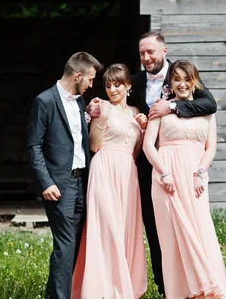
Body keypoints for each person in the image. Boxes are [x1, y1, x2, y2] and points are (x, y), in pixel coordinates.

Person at [86, 31, 217, 297]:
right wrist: (94, 109)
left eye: (151, 53)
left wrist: (173, 108)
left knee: (189, 223)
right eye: (142, 53)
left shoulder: (181, 77)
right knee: (153, 227)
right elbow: (119, 112)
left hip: (182, 165)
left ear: (164, 51)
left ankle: (193, 283)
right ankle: (165, 285)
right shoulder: (132, 81)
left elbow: (209, 103)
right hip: (142, 166)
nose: (146, 58)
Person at [142, 60, 226, 299]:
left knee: (200, 230)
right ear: (170, 82)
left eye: (186, 79)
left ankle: (208, 286)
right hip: (166, 177)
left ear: (194, 81)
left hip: (195, 178)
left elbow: (210, 147)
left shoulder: (207, 111)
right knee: (172, 236)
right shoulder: (160, 107)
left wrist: (201, 173)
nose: (181, 84)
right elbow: (148, 145)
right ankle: (180, 292)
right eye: (176, 79)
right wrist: (163, 172)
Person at [26, 52, 104, 299]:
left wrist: (89, 114)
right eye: (90, 80)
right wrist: (46, 182)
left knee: (74, 245)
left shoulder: (80, 102)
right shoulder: (45, 101)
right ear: (77, 75)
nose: (92, 86)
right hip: (59, 185)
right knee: (65, 246)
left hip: (82, 182)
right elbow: (34, 145)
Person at [71, 63, 148, 298]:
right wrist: (103, 117)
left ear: (128, 86)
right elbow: (94, 145)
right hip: (104, 168)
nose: (112, 90)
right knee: (107, 226)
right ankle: (101, 288)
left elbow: (135, 151)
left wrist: (143, 131)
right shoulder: (101, 106)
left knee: (125, 228)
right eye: (108, 85)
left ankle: (123, 285)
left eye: (117, 85)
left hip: (127, 171)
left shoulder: (136, 112)